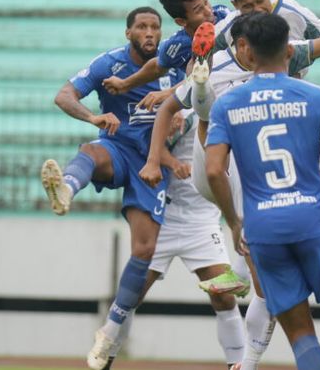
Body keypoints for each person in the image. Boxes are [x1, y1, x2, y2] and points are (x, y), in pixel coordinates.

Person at [206, 12, 320, 370]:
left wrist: (233, 222)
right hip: (313, 219)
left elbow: (214, 170)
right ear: (290, 50)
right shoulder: (318, 97)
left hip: (263, 227)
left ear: (248, 54)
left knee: (301, 336)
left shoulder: (227, 105)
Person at [39, 6, 189, 370]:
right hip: (120, 148)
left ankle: (112, 329)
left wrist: (179, 121)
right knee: (91, 149)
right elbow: (64, 95)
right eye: (142, 27)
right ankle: (67, 190)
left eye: (155, 26)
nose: (150, 32)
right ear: (129, 34)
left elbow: (195, 97)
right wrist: (94, 116)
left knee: (145, 249)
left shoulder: (176, 62)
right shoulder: (109, 64)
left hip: (152, 163)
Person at [99, 109, 247, 370]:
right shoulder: (180, 110)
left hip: (202, 218)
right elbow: (147, 149)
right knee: (132, 295)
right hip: (163, 215)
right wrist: (169, 150)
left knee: (223, 297)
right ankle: (105, 359)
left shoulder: (232, 109)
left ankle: (238, 364)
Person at [100, 0, 228, 108]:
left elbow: (217, 71)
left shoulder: (225, 17)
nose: (209, 11)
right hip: (212, 107)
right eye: (198, 10)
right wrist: (124, 84)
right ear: (181, 21)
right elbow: (157, 66)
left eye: (206, 2)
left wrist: (170, 92)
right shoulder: (177, 45)